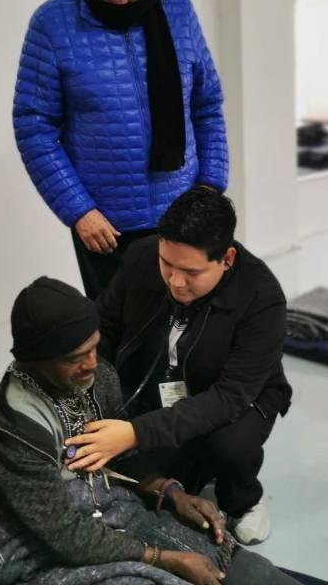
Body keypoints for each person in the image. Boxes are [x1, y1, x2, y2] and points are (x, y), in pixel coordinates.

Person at [0, 276, 328, 585]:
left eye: (94, 347)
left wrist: (170, 492)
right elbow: (61, 533)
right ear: (33, 360)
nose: (91, 364)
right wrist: (163, 558)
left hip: (102, 508)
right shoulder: (12, 424)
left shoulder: (98, 378)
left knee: (219, 553)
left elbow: (119, 462)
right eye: (74, 357)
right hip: (21, 537)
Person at [62, 188, 290, 546]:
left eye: (190, 271)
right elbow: (104, 327)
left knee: (230, 446)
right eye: (167, 264)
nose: (175, 281)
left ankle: (243, 500)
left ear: (227, 259)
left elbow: (229, 397)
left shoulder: (263, 297)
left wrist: (135, 433)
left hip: (237, 396)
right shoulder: (141, 256)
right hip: (162, 384)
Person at [13, 0, 229, 298]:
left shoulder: (178, 10)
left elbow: (206, 105)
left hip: (184, 216)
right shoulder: (51, 23)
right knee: (120, 330)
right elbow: (33, 127)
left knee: (191, 327)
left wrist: (209, 188)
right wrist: (79, 211)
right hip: (106, 230)